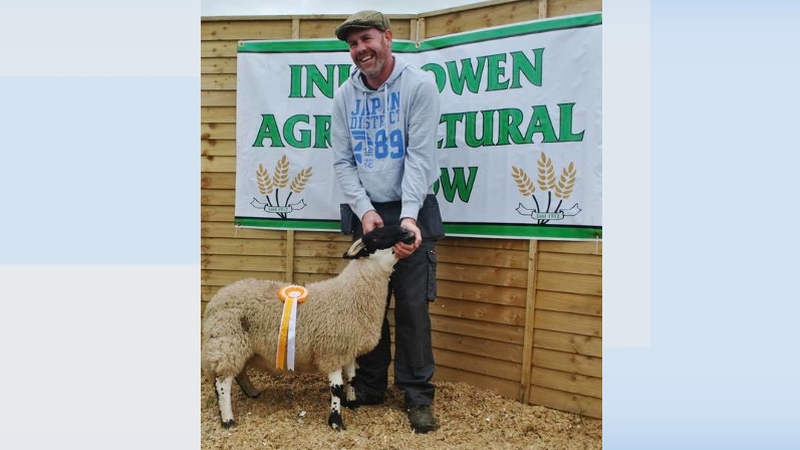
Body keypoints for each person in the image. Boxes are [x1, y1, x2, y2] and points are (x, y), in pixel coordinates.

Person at [331, 10, 445, 434]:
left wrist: (410, 218)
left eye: (366, 39)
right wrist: (364, 210)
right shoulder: (344, 95)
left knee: (413, 307)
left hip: (409, 207)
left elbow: (420, 156)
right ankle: (372, 385)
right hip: (367, 211)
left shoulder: (419, 86)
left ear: (388, 38)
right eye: (353, 44)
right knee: (366, 305)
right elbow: (342, 160)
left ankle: (417, 397)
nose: (360, 49)